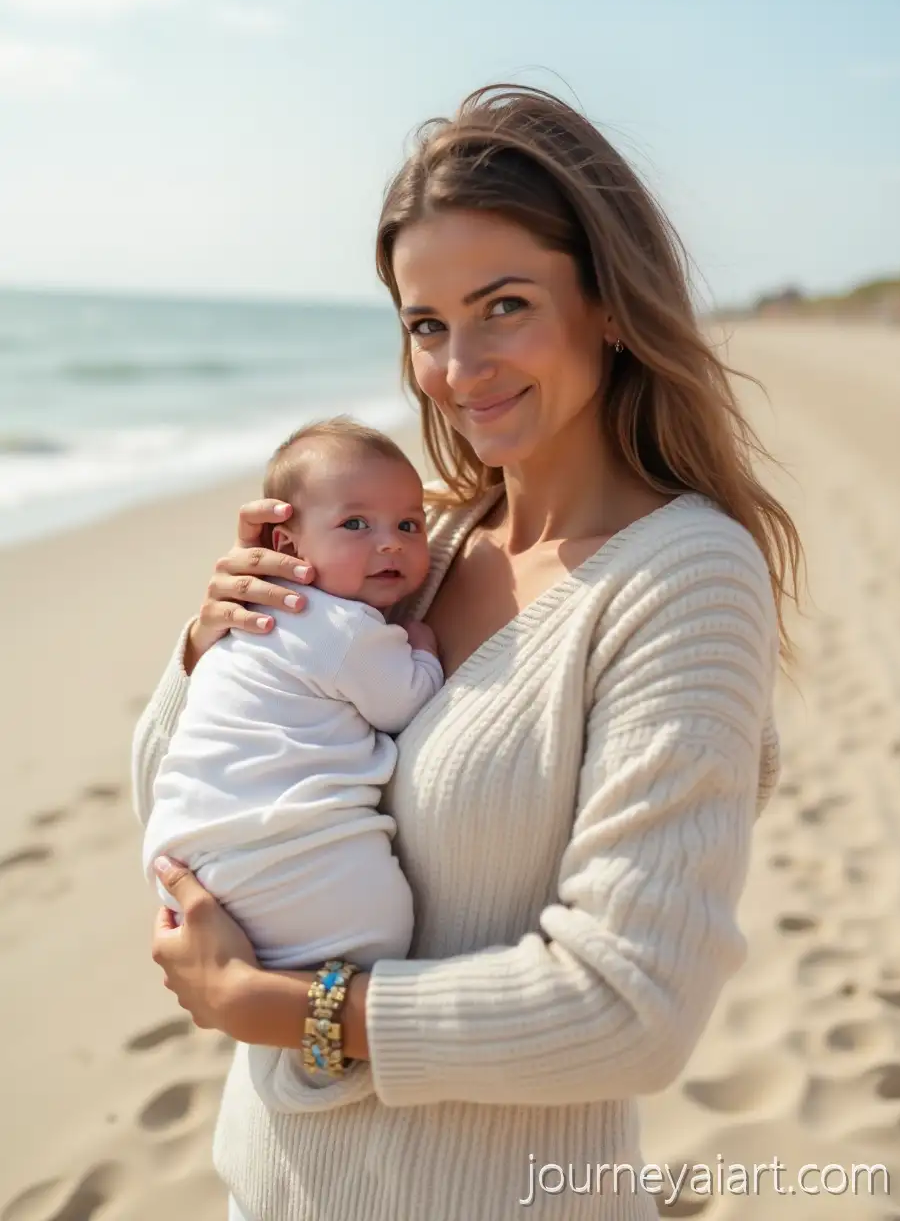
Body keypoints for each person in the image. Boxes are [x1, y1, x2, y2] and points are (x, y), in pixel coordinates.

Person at [131, 83, 802, 1221]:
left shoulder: (682, 580)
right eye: (426, 323)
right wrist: (208, 648)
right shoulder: (414, 538)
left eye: (503, 305)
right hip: (266, 1187)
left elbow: (632, 1002)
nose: (457, 366)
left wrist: (294, 1009)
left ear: (606, 303)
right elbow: (183, 813)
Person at [141, 417, 443, 1114]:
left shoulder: (251, 629)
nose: (390, 543)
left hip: (190, 856)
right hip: (281, 852)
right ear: (286, 546)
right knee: (377, 933)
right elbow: (404, 703)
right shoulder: (341, 628)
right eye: (357, 525)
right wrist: (422, 645)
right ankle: (324, 1048)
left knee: (301, 984)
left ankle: (308, 1043)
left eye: (409, 524)